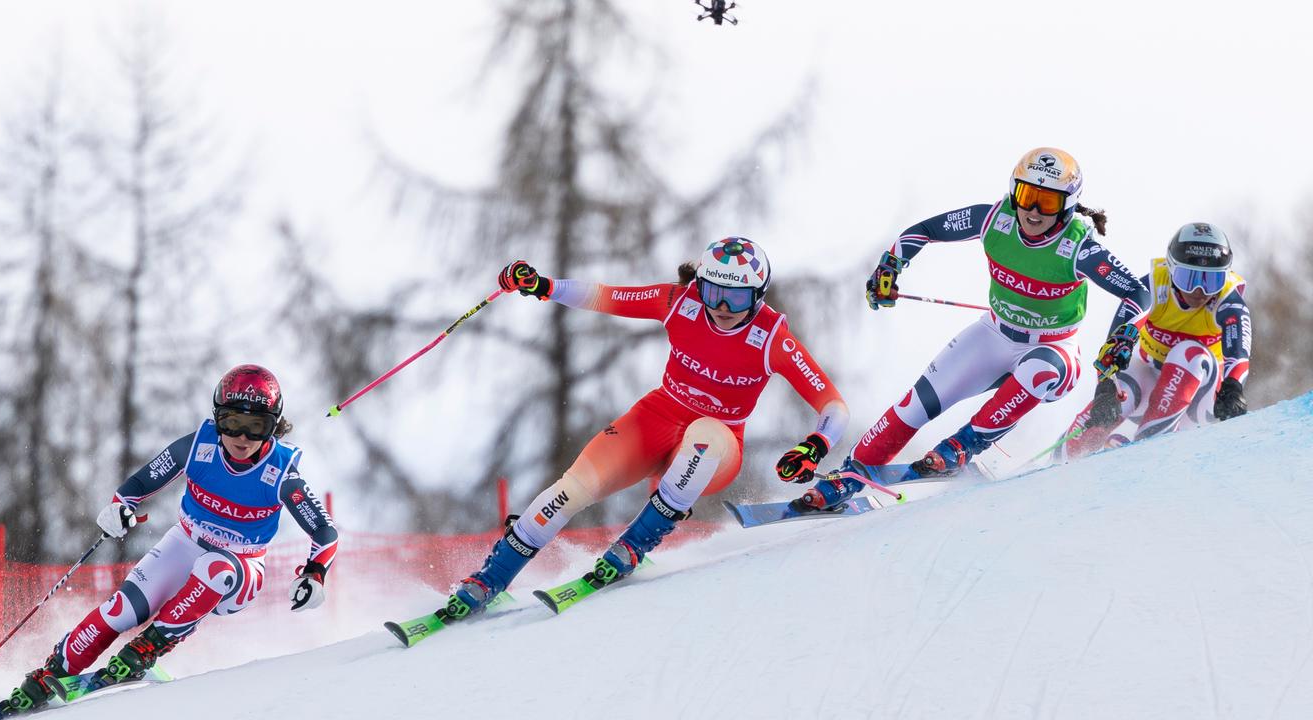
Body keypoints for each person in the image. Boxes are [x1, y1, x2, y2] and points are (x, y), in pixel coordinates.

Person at [443, 237, 849, 619]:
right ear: (700, 286)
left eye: (737, 296)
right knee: (570, 489)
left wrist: (814, 445)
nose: (722, 306)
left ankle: (634, 546)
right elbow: (606, 296)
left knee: (704, 437)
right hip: (656, 418)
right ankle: (488, 580)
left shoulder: (771, 337)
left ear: (758, 296)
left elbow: (832, 405)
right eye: (712, 292)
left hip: (718, 443)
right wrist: (543, 285)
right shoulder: (678, 301)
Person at [795, 147, 1150, 511]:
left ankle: (962, 447)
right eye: (1027, 196)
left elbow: (1138, 291)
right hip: (993, 335)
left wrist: (1123, 334)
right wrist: (890, 265)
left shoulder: (1078, 247)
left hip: (1055, 350)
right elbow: (925, 230)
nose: (1033, 211)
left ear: (1068, 205)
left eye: (1047, 201)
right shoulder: (994, 220)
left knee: (1037, 370)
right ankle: (848, 477)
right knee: (915, 406)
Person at [0, 364, 337, 715]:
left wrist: (314, 574)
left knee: (214, 567)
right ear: (218, 417)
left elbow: (324, 531)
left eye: (257, 426)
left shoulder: (280, 471)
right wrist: (119, 508)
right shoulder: (199, 446)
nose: (242, 437)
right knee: (120, 610)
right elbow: (140, 483)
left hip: (240, 567)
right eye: (233, 422)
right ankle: (49, 675)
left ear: (273, 428)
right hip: (184, 543)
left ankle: (147, 648)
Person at [1059, 222, 1251, 458]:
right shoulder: (1154, 285)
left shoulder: (1227, 297)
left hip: (1201, 402)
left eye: (1212, 280)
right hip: (1153, 386)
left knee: (1189, 352)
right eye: (1188, 278)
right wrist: (1106, 391)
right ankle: (1059, 461)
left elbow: (1239, 352)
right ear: (1171, 269)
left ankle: (1147, 450)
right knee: (1122, 387)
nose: (1200, 291)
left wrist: (1233, 389)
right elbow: (1114, 344)